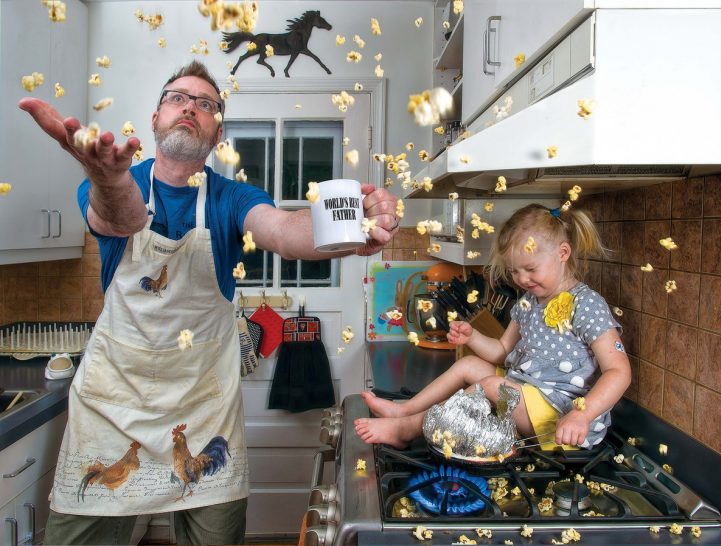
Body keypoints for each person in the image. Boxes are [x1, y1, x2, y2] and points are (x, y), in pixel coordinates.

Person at [19, 60, 399, 545]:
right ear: (156, 117)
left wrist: (344, 229)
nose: (190, 108)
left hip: (202, 410)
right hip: (111, 406)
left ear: (217, 132)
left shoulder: (232, 197)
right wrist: (107, 178)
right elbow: (122, 218)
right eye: (178, 98)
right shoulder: (112, 182)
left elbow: (281, 230)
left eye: (206, 104)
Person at [355, 204, 631, 452]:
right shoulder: (529, 302)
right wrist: (472, 336)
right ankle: (404, 410)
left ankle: (406, 430)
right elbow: (501, 351)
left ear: (563, 253)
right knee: (469, 366)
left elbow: (618, 371)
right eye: (513, 271)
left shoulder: (587, 304)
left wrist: (582, 415)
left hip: (561, 417)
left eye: (530, 268)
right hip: (526, 396)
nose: (521, 278)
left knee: (492, 385)